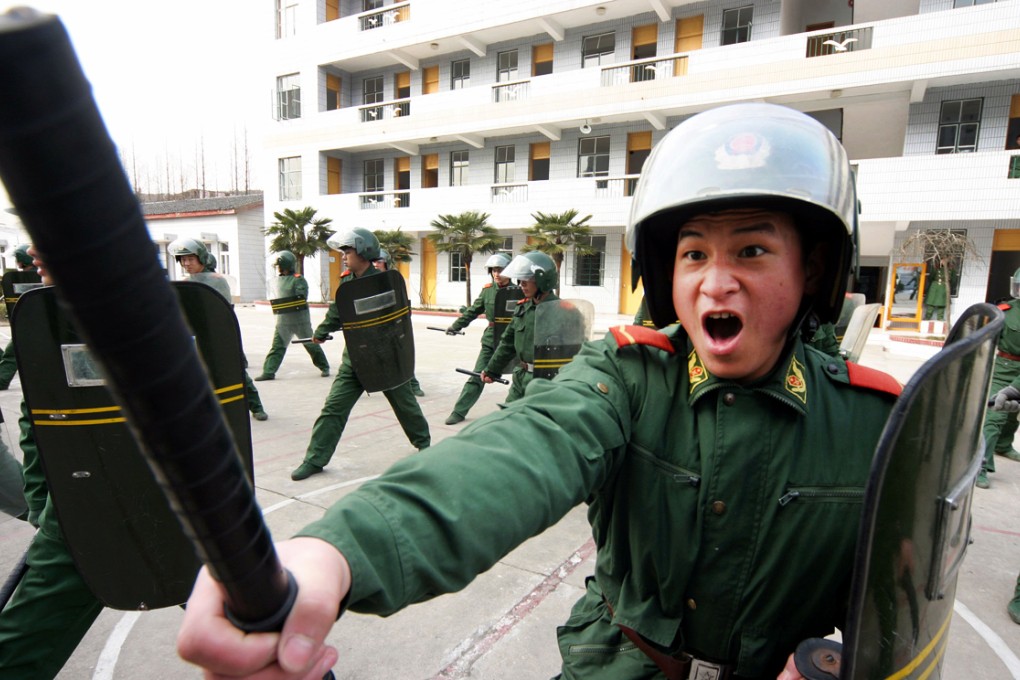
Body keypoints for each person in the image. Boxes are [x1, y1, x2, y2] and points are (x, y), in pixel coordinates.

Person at [177, 103, 901, 680]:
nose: (715, 280)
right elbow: (521, 450)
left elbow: (902, 610)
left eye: (752, 249)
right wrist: (338, 554)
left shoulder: (877, 423)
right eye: (692, 253)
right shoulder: (627, 376)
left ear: (813, 269)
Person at [290, 229, 430, 481]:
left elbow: (399, 319)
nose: (344, 256)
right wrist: (321, 332)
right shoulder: (347, 283)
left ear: (363, 251)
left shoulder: (386, 281)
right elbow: (337, 312)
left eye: (348, 251)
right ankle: (314, 459)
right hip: (355, 360)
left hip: (386, 358)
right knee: (333, 409)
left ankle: (426, 447)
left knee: (406, 406)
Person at [168, 238, 268, 422]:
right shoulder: (184, 282)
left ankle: (256, 406)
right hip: (197, 336)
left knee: (236, 372)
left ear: (201, 258)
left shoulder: (217, 281)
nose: (186, 263)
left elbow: (222, 311)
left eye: (190, 258)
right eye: (182, 259)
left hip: (219, 334)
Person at [442, 252, 516, 424]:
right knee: (477, 374)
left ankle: (515, 412)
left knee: (522, 377)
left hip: (514, 341)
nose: (497, 274)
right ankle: (459, 411)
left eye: (501, 270)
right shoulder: (487, 291)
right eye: (494, 270)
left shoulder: (519, 291)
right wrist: (456, 326)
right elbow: (473, 311)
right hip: (491, 340)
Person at [479, 250, 560, 403]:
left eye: (527, 278)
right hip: (521, 376)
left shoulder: (563, 311)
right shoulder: (522, 308)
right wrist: (492, 370)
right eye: (520, 278)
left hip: (546, 381)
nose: (521, 283)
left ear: (543, 280)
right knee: (508, 419)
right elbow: (507, 343)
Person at [254, 250, 330, 381]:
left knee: (311, 345)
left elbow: (301, 298)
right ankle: (269, 371)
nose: (278, 268)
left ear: (285, 265)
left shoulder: (298, 280)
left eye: (279, 266)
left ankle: (324, 367)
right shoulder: (277, 281)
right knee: (277, 347)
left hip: (299, 320)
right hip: (283, 320)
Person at [977, 267, 1020, 489]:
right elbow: (987, 340)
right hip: (1004, 368)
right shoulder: (1005, 310)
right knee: (995, 415)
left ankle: (1004, 445)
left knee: (1013, 413)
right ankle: (980, 465)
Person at [371, 249, 424, 398]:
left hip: (392, 325)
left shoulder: (393, 279)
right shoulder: (367, 280)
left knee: (401, 356)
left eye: (379, 262)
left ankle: (414, 386)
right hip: (374, 325)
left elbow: (402, 303)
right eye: (374, 261)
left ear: (386, 263)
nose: (376, 264)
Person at [0, 244, 41, 391]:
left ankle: (2, 379)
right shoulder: (41, 274)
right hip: (37, 322)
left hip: (28, 322)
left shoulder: (22, 278)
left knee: (12, 352)